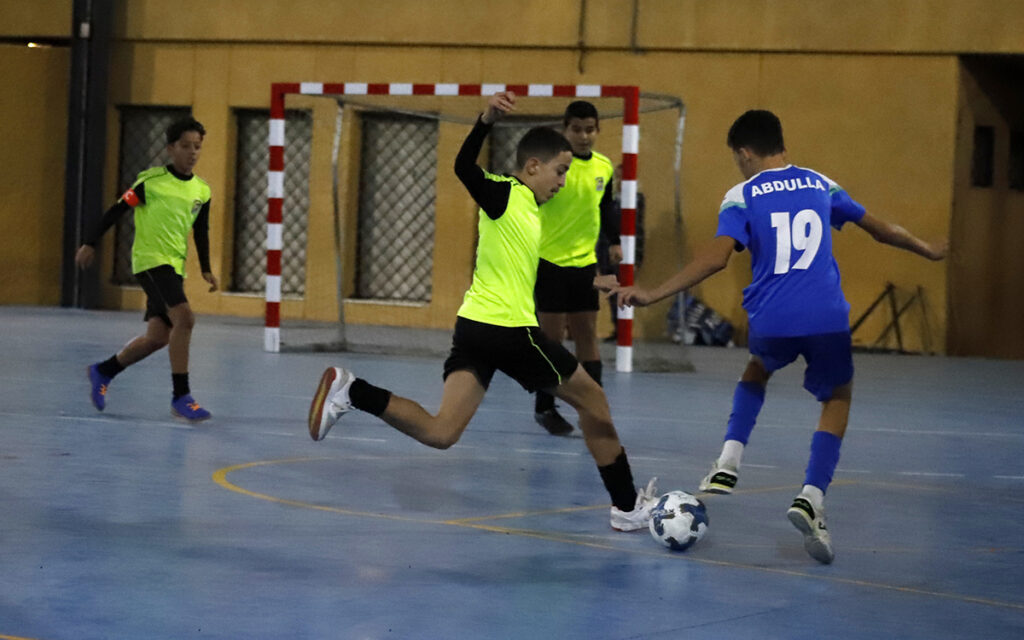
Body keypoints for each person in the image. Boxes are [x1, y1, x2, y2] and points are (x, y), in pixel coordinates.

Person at [599, 109, 947, 563]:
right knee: (837, 396)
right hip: (826, 315)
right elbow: (879, 229)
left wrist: (652, 293)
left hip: (773, 317)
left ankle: (728, 459)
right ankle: (811, 496)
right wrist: (927, 249)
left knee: (757, 369)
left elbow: (716, 259)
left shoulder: (742, 195)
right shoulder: (822, 183)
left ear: (744, 153)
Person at [308, 92, 658, 532]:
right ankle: (627, 507)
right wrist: (485, 121)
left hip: (475, 330)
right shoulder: (506, 193)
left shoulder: (529, 213)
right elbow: (462, 168)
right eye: (560, 171)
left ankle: (353, 391)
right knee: (595, 400)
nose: (564, 181)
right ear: (533, 166)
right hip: (509, 332)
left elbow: (526, 271)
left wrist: (591, 281)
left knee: (441, 432)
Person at [76, 117, 218, 422]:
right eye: (185, 146)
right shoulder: (149, 182)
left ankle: (103, 371)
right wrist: (90, 242)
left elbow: (201, 231)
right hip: (151, 261)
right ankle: (182, 397)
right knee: (185, 318)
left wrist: (206, 268)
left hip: (174, 266)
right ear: (170, 149)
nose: (192, 152)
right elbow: (117, 210)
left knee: (158, 337)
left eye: (197, 147)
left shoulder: (201, 191)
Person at [532, 101, 620, 436]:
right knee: (552, 340)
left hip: (585, 263)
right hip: (548, 260)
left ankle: (593, 408)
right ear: (565, 130)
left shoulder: (604, 166)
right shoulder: (552, 165)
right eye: (577, 129)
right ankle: (544, 406)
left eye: (590, 129)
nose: (584, 136)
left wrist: (613, 240)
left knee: (587, 337)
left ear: (597, 130)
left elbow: (606, 205)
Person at [597, 162, 645, 343]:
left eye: (622, 177)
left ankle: (625, 328)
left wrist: (637, 258)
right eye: (617, 177)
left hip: (626, 252)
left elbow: (638, 230)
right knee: (610, 291)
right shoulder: (608, 198)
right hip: (604, 250)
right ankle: (616, 327)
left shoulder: (636, 199)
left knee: (624, 291)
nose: (619, 181)